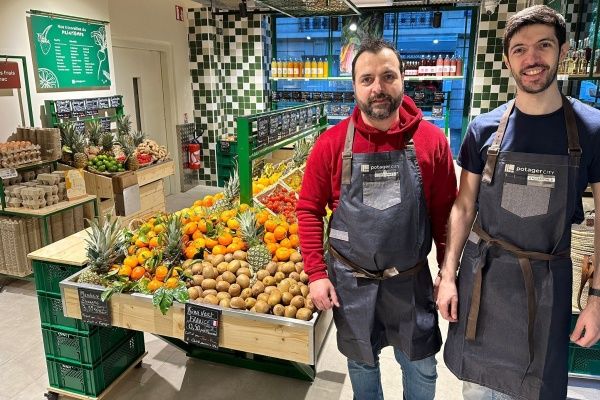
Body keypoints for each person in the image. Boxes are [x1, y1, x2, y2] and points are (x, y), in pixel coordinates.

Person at [436, 5, 600, 400]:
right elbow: (463, 206)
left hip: (545, 286)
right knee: (477, 388)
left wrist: (596, 299)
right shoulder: (483, 130)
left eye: (543, 45)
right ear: (508, 59)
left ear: (562, 51)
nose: (532, 59)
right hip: (484, 281)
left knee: (536, 387)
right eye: (520, 49)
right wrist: (447, 274)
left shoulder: (591, 129)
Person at [296, 38, 457, 400]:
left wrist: (448, 273)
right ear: (354, 87)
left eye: (387, 76)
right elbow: (308, 209)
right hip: (352, 284)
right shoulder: (332, 144)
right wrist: (316, 274)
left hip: (411, 282)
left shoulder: (432, 142)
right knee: (362, 363)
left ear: (403, 80)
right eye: (366, 79)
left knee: (420, 365)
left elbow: (447, 214)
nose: (377, 88)